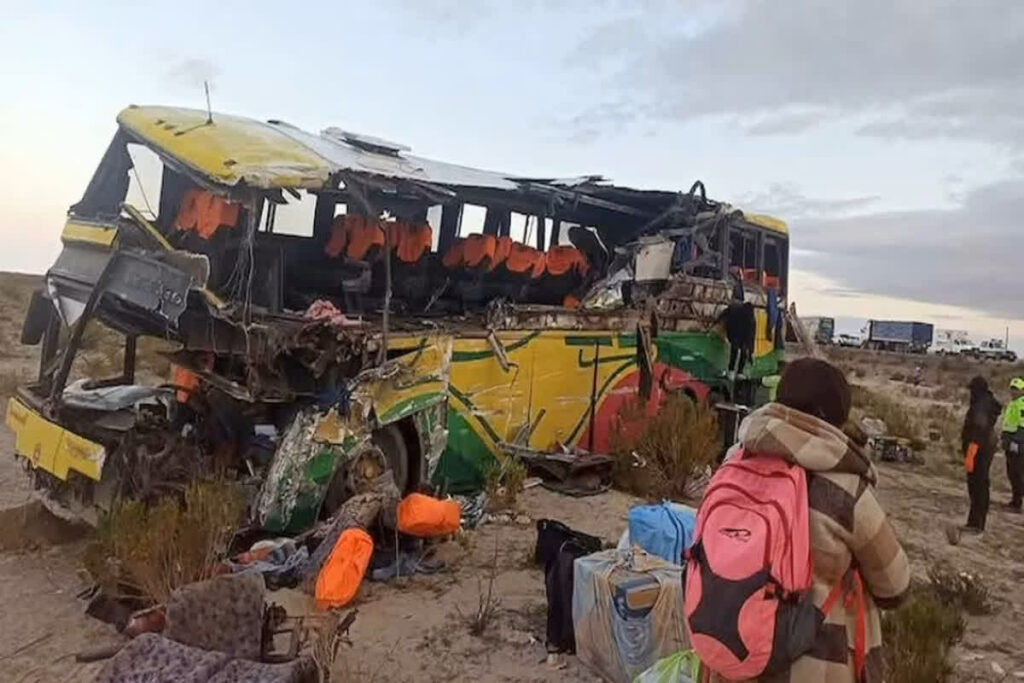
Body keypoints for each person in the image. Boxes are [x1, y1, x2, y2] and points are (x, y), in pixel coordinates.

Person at [718, 358, 910, 681]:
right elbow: (895, 586)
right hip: (816, 666)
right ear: (834, 418)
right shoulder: (845, 489)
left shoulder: (734, 464)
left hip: (736, 654)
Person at [961, 376, 1002, 532]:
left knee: (978, 485)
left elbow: (977, 431)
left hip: (979, 451)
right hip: (984, 449)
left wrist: (971, 454)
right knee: (980, 485)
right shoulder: (985, 402)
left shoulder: (981, 406)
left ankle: (976, 523)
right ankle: (975, 522)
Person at [1001, 377, 1024, 512]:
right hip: (1009, 440)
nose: (1013, 392)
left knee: (1017, 472)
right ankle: (1015, 499)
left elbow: (1023, 425)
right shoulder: (1013, 403)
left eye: (1016, 389)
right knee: (1012, 471)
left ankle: (1018, 502)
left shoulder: (1021, 404)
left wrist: (1017, 441)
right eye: (1012, 389)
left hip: (1018, 442)